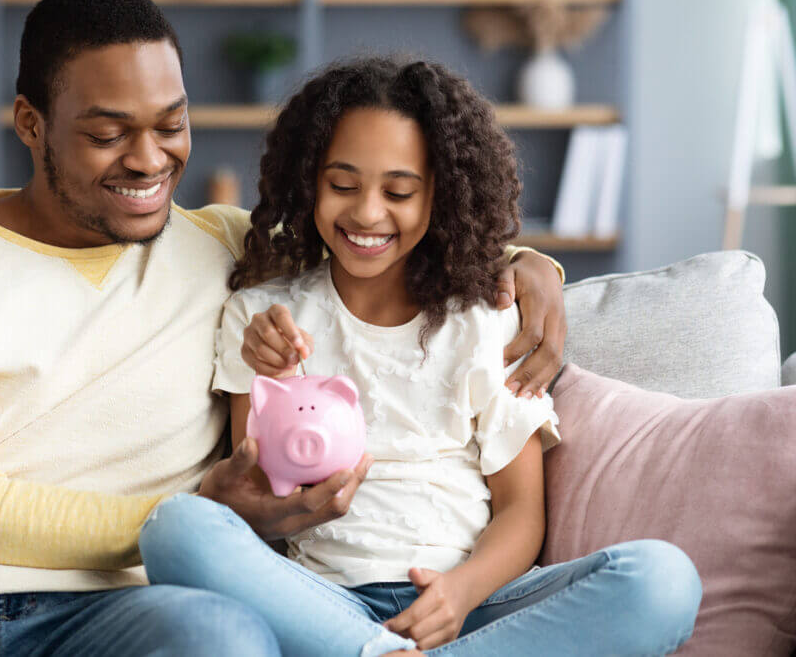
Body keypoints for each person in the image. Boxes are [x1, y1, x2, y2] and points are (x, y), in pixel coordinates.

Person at [0, 0, 569, 655]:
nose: (149, 159)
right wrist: (201, 510)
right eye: (107, 134)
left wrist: (527, 266)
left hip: (127, 619)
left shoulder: (224, 247)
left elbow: (384, 237)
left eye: (172, 126)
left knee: (222, 636)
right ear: (31, 124)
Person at [138, 56, 703, 656]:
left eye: (399, 191)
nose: (367, 213)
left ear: (442, 194)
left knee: (664, 580)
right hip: (323, 602)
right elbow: (261, 502)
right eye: (343, 185)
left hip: (473, 604)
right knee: (175, 527)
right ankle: (372, 649)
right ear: (309, 181)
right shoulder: (262, 318)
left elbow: (520, 514)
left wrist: (457, 596)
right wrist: (275, 382)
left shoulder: (488, 316)